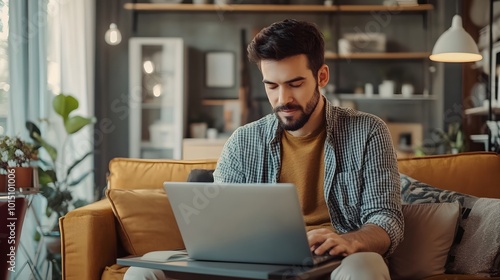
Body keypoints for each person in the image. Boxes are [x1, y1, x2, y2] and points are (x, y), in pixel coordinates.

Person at [125, 18, 403, 280]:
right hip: (256, 266)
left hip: (334, 263)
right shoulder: (244, 141)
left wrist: (349, 240)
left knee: (365, 266)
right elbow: (221, 223)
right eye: (272, 86)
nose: (283, 99)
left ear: (321, 76)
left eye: (295, 84)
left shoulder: (367, 131)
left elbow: (387, 218)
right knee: (141, 272)